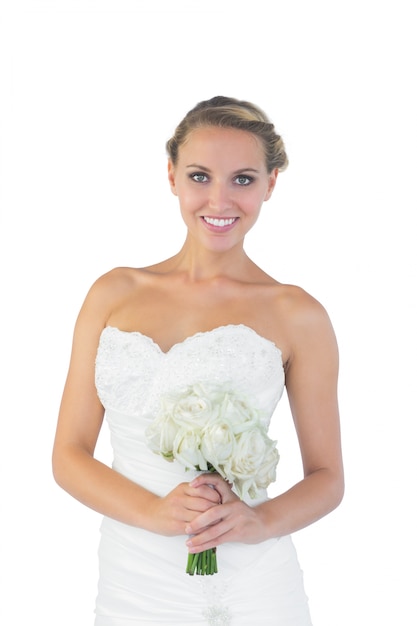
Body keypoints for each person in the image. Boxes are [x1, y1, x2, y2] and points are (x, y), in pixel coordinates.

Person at [52, 95, 344, 625]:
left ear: (271, 184)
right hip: (132, 581)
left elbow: (327, 477)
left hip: (252, 583)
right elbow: (68, 455)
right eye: (200, 175)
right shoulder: (112, 293)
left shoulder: (297, 313)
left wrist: (261, 520)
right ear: (171, 176)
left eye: (243, 179)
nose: (219, 199)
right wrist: (153, 513)